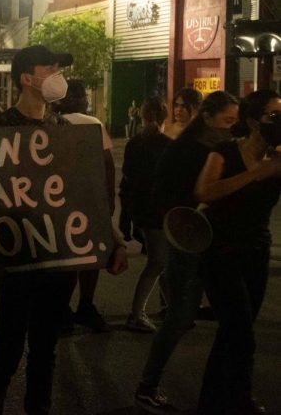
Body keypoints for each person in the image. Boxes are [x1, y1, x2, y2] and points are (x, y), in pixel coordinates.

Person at [0, 46, 128, 415]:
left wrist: (113, 241)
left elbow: (84, 198)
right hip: (18, 259)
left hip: (58, 260)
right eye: (48, 66)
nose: (57, 72)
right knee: (6, 351)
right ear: (26, 78)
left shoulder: (65, 130)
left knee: (44, 351)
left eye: (59, 66)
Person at [134, 90, 239, 413]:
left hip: (217, 243)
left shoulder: (223, 148)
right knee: (179, 316)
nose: (230, 127)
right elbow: (164, 194)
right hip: (188, 240)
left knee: (234, 317)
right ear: (207, 117)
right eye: (227, 120)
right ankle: (147, 386)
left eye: (235, 121)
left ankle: (231, 390)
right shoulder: (186, 150)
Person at [193, 90, 281, 415]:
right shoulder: (225, 152)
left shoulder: (278, 158)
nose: (278, 121)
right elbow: (204, 190)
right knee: (241, 333)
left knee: (232, 332)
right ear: (252, 120)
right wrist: (256, 174)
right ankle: (239, 398)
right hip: (221, 252)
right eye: (273, 115)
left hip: (256, 251)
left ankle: (214, 401)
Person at [52, 79, 117, 334]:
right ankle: (86, 305)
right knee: (91, 256)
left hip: (59, 199)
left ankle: (62, 309)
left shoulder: (51, 124)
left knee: (66, 257)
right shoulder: (93, 124)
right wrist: (108, 200)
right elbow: (108, 165)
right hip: (90, 198)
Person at [122, 97, 172, 333]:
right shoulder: (167, 146)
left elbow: (128, 181)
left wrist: (126, 215)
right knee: (158, 262)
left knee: (162, 260)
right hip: (159, 212)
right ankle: (136, 314)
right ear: (164, 117)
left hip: (141, 210)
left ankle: (171, 307)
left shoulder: (134, 144)